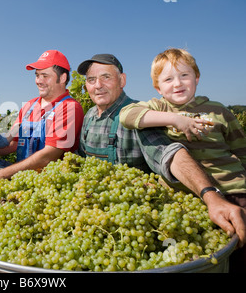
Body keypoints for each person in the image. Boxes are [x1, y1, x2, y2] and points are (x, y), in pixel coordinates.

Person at [76, 53, 246, 250]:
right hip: (97, 210)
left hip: (133, 218)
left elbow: (169, 154)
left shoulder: (147, 117)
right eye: (91, 80)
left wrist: (210, 194)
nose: (98, 85)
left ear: (122, 80)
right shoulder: (90, 116)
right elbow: (82, 159)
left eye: (106, 77)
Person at [119, 48, 246, 272]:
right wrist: (175, 120)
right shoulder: (160, 108)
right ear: (158, 88)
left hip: (233, 189)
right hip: (188, 196)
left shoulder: (219, 111)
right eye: (168, 79)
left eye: (184, 75)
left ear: (196, 78)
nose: (177, 83)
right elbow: (127, 115)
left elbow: (241, 150)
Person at [0, 50, 84, 186]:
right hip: (23, 182)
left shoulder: (69, 108)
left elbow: (49, 155)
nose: (39, 81)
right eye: (37, 75)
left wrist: (4, 173)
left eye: (45, 76)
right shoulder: (29, 107)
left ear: (63, 78)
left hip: (51, 188)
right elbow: (13, 144)